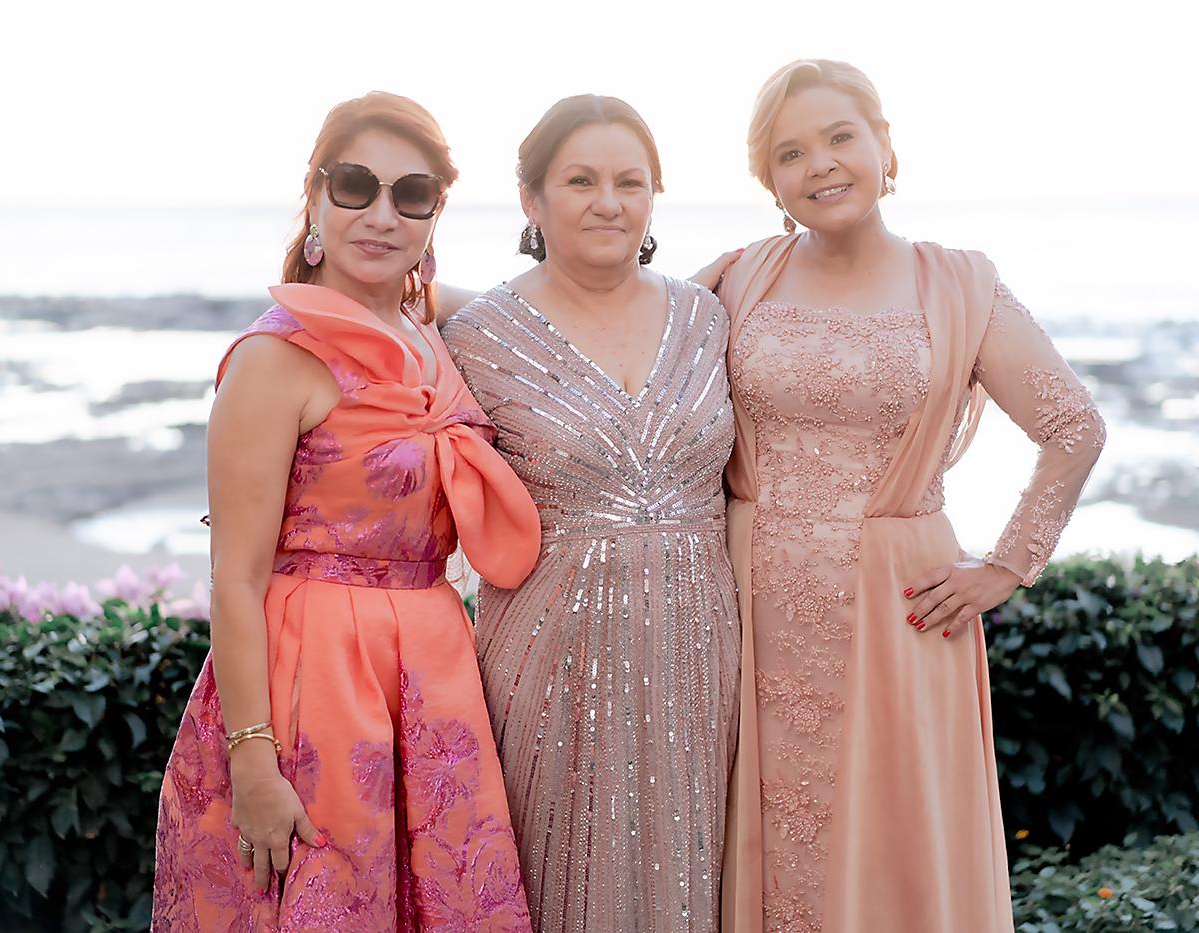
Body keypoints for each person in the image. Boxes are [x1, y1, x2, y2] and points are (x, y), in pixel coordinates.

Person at [715, 60, 1106, 933]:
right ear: (768, 181)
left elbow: (1074, 426)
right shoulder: (740, 277)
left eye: (840, 137)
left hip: (902, 620)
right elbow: (619, 327)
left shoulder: (958, 284)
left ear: (887, 147)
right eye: (790, 152)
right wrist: (434, 302)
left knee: (896, 856)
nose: (819, 163)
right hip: (748, 616)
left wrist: (1007, 563)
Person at [152, 92, 541, 931]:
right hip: (315, 676)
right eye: (357, 185)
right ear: (317, 195)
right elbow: (236, 577)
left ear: (437, 212)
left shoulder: (433, 330)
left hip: (434, 667)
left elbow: (559, 314)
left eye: (412, 194)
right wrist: (253, 759)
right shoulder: (273, 358)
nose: (381, 213)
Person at [441, 95, 741, 932]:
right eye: (580, 180)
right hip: (549, 656)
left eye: (629, 181)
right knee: (551, 874)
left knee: (690, 871)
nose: (608, 201)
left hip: (699, 649)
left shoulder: (708, 314)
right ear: (532, 201)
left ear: (653, 198)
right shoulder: (472, 332)